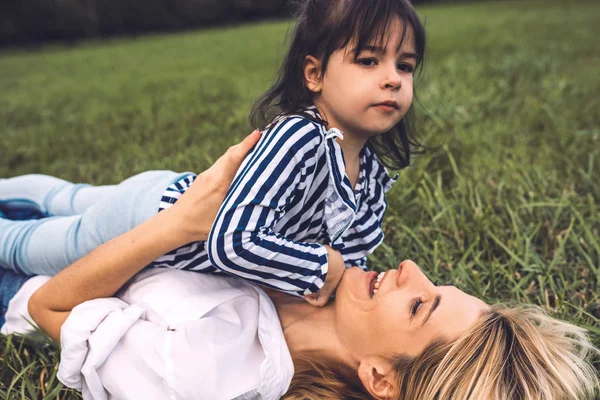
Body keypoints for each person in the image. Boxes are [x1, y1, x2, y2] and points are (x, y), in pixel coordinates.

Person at [1, 133, 598, 399]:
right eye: (437, 284)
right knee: (61, 195)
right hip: (137, 209)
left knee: (29, 230)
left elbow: (49, 304)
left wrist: (177, 226)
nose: (411, 267)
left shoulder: (204, 371)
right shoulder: (323, 281)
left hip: (32, 283)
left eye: (419, 305)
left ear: (380, 379)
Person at [0, 0, 427, 307]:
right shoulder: (299, 138)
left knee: (71, 198)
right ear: (314, 73)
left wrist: (343, 282)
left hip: (168, 192)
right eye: (369, 60)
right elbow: (232, 240)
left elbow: (350, 258)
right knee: (37, 244)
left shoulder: (369, 172)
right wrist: (317, 270)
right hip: (148, 224)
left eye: (404, 66)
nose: (392, 79)